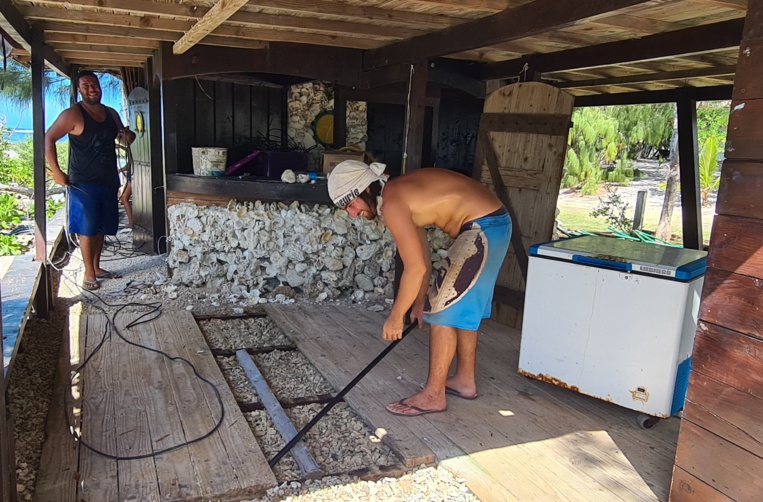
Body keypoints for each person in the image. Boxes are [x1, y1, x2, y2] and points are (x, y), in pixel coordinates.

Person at [328, 160, 512, 416]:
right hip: (492, 223)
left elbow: (415, 269)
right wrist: (417, 302)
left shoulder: (393, 203)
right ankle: (464, 381)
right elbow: (421, 257)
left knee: (442, 311)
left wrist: (395, 318)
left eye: (351, 204)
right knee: (460, 308)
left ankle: (434, 395)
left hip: (484, 226)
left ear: (365, 189)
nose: (353, 213)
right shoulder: (397, 194)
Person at [45, 70, 135, 290]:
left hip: (108, 179)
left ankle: (96, 267)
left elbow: (123, 137)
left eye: (94, 84)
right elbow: (48, 138)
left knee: (101, 227)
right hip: (82, 182)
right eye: (86, 86)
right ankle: (88, 274)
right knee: (87, 228)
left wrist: (129, 135)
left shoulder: (111, 113)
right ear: (79, 90)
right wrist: (57, 172)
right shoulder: (72, 114)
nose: (91, 89)